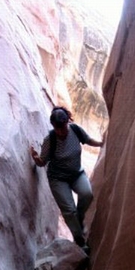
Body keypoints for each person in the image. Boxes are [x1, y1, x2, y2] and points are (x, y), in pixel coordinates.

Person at [30, 106, 104, 250]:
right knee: (69, 210)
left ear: (67, 123)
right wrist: (35, 157)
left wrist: (102, 143)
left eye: (62, 127)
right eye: (57, 128)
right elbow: (42, 162)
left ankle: (80, 219)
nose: (60, 131)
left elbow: (88, 140)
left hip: (76, 173)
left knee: (87, 194)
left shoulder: (75, 130)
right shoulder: (50, 140)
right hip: (58, 179)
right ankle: (80, 241)